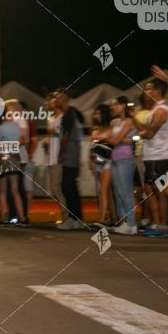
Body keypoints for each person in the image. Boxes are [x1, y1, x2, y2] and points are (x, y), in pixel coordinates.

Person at [135, 80, 168, 238]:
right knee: (150, 190)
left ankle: (163, 226)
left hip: (159, 156)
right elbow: (146, 131)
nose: (146, 92)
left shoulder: (162, 110)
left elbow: (149, 134)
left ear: (156, 91)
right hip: (151, 155)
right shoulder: (155, 109)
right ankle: (156, 223)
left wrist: (139, 129)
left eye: (148, 89)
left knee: (159, 191)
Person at [53, 89, 85, 229]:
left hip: (70, 155)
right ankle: (77, 219)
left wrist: (60, 154)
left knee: (68, 187)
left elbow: (65, 138)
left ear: (65, 98)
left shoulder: (69, 114)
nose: (55, 100)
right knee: (69, 187)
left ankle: (74, 219)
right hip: (72, 154)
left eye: (57, 97)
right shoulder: (71, 113)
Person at [107, 97, 137, 234]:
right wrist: (125, 140)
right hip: (114, 158)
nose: (113, 107)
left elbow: (114, 140)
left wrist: (120, 140)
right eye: (112, 105)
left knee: (126, 192)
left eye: (115, 105)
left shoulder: (130, 121)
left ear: (123, 105)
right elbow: (112, 139)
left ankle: (131, 224)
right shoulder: (114, 122)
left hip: (126, 158)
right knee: (118, 192)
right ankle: (123, 222)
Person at [0, 100, 28, 226]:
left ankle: (5, 217)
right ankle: (22, 218)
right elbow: (22, 140)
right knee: (15, 189)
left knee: (3, 190)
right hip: (15, 157)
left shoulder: (0, 128)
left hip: (4, 158)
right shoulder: (16, 126)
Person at [88, 104, 114, 227]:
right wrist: (90, 161)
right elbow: (91, 148)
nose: (95, 116)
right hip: (98, 162)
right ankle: (111, 217)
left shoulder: (111, 128)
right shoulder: (95, 130)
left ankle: (103, 219)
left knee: (103, 190)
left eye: (98, 113)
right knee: (105, 191)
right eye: (95, 113)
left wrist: (100, 138)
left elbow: (114, 144)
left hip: (109, 162)